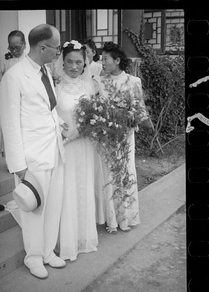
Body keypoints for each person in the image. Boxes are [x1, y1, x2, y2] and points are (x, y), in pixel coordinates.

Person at [0, 24, 66, 279]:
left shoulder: (45, 72)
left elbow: (48, 111)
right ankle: (33, 257)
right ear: (42, 47)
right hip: (31, 157)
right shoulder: (14, 77)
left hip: (54, 150)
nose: (58, 51)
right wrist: (18, 165)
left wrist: (61, 124)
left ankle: (48, 251)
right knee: (34, 210)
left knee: (52, 206)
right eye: (57, 47)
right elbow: (9, 122)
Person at [93, 41, 150, 233]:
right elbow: (95, 109)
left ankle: (125, 217)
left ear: (117, 60)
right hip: (107, 137)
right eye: (101, 59)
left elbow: (140, 111)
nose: (103, 63)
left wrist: (131, 119)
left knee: (125, 172)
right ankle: (111, 220)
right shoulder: (99, 82)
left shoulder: (134, 82)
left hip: (125, 136)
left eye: (106, 59)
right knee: (108, 174)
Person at [53, 40, 98, 261]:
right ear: (63, 62)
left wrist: (83, 129)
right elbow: (52, 116)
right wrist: (65, 132)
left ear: (85, 63)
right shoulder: (55, 87)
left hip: (84, 145)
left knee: (82, 186)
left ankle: (83, 236)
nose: (73, 66)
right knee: (67, 189)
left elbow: (96, 115)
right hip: (66, 146)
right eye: (69, 61)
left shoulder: (90, 87)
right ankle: (67, 241)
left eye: (78, 62)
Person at [0, 30, 26, 156]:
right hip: (8, 103)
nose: (13, 51)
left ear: (25, 44)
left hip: (24, 103)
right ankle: (10, 160)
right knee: (9, 131)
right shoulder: (4, 60)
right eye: (10, 47)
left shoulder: (29, 60)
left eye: (17, 47)